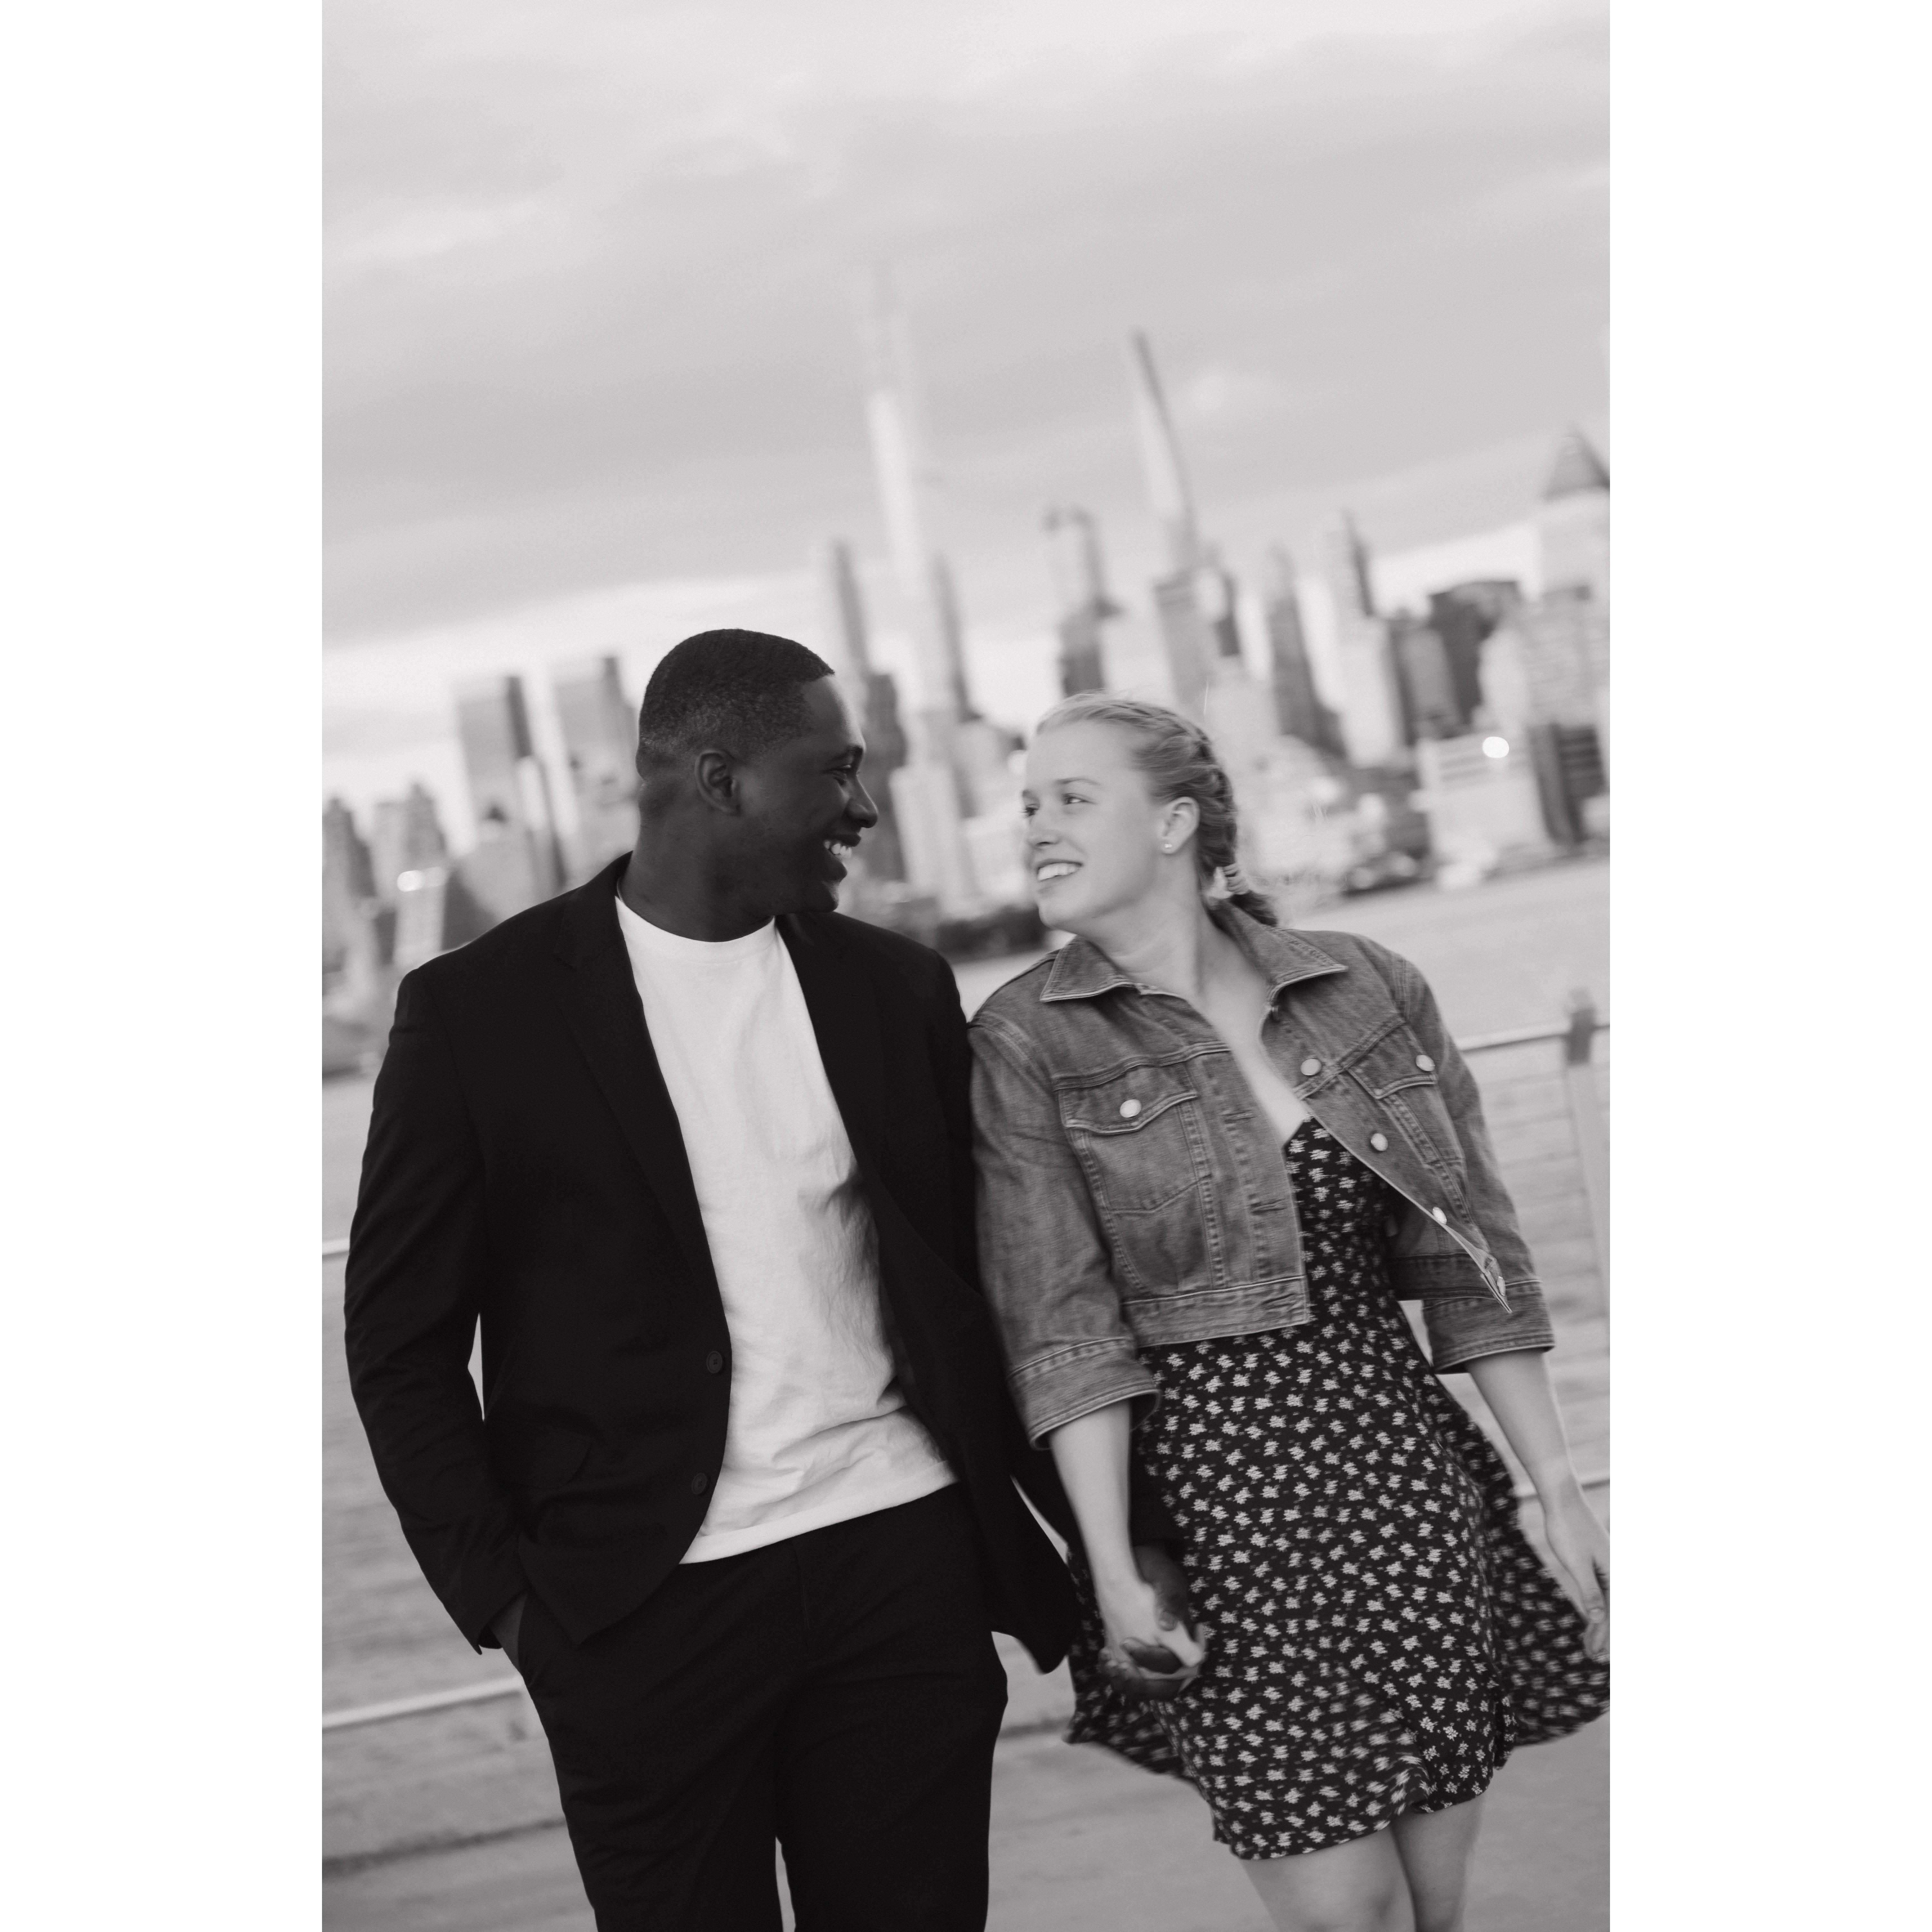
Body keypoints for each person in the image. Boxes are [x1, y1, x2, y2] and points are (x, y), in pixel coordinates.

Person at [343, 629, 1077, 1931]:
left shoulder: (895, 987)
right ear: (721, 780)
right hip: (641, 1614)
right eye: (834, 771)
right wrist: (513, 1606)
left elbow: (990, 1283)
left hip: (895, 1567)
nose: (863, 806)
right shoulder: (479, 1014)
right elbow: (400, 1340)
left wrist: (1104, 1535)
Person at [968, 694, 1610, 1932]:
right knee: (1343, 1911)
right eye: (1029, 803)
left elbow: (1474, 1258)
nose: (1035, 826)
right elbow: (1064, 1331)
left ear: (1174, 823)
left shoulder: (1365, 987)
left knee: (1433, 1907)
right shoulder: (1025, 1040)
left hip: (1405, 1488)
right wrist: (1111, 1567)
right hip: (1220, 1524)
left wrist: (1558, 1488)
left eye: (1071, 799)